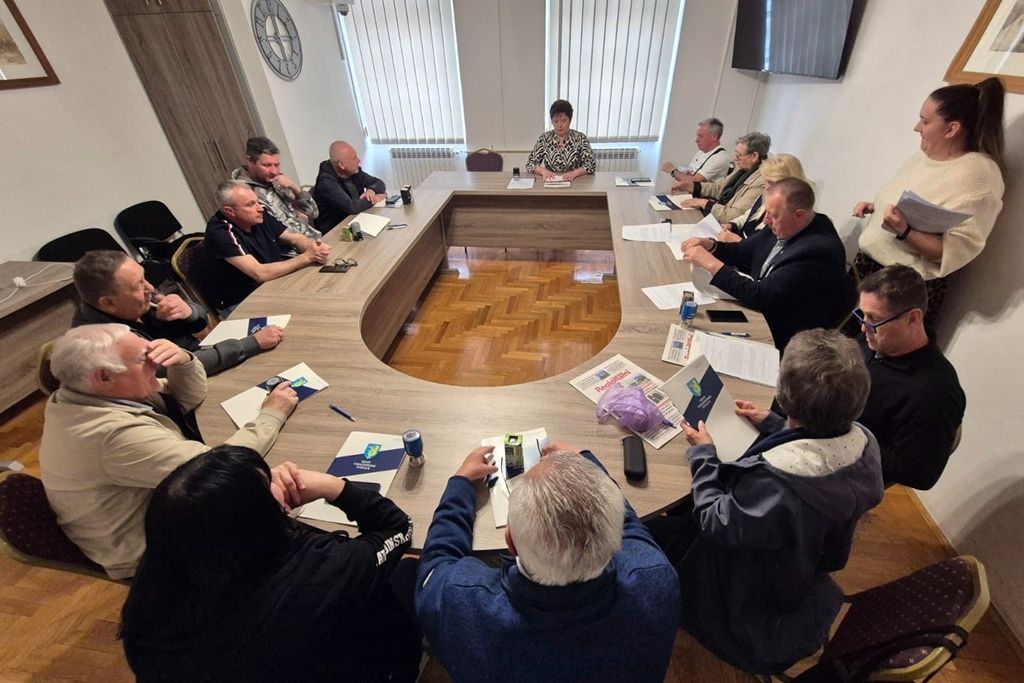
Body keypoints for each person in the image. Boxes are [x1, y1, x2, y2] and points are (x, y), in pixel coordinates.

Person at [646, 329, 884, 675]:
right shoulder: (867, 445)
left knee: (651, 530)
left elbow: (716, 521)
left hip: (744, 587)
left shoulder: (778, 483)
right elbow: (819, 446)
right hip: (802, 561)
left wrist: (703, 455)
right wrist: (774, 426)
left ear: (784, 393)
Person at [121, 446, 420, 682]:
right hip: (359, 667)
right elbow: (398, 527)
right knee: (409, 573)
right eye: (266, 484)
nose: (278, 480)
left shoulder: (149, 599)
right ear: (254, 520)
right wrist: (332, 486)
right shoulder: (323, 572)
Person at [39, 324, 297, 579]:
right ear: (105, 376)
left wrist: (183, 361)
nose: (156, 362)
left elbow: (184, 399)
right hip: (151, 552)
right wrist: (271, 415)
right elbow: (219, 470)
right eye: (145, 358)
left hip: (159, 508)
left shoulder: (87, 392)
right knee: (280, 496)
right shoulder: (111, 436)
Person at [415, 444, 680, 683]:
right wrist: (586, 462)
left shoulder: (461, 601)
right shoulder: (656, 579)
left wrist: (460, 483)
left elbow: (437, 559)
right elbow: (630, 526)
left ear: (510, 542)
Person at [852, 78, 1005, 327]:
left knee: (861, 349)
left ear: (951, 129)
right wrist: (876, 207)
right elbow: (914, 203)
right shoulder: (924, 156)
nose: (917, 128)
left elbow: (952, 252)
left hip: (898, 291)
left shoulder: (979, 176)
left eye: (925, 121)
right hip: (866, 270)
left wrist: (904, 230)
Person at [682, 178, 847, 351]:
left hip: (783, 334)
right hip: (760, 309)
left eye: (773, 215)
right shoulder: (785, 223)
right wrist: (711, 245)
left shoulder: (818, 252)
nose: (766, 220)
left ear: (799, 215)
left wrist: (711, 264)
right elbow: (743, 251)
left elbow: (760, 296)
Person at [71, 250, 283, 376]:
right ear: (108, 303)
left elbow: (200, 323)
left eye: (144, 278)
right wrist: (251, 343)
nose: (150, 287)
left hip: (206, 359)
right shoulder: (107, 343)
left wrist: (190, 312)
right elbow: (178, 368)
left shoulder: (133, 301)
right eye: (138, 285)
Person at [854, 265, 966, 490]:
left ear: (913, 318)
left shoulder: (934, 392)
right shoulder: (876, 342)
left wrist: (848, 440)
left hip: (854, 475)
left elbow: (920, 473)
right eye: (862, 314)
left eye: (873, 318)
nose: (864, 328)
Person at [203, 180, 331, 316]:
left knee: (321, 294)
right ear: (229, 211)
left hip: (272, 282)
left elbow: (295, 238)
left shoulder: (258, 214)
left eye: (257, 201)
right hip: (241, 300)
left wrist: (313, 247)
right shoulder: (220, 233)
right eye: (250, 204)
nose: (260, 208)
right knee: (308, 311)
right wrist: (307, 257)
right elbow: (260, 274)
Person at [231, 136, 322, 240]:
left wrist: (295, 188)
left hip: (314, 239)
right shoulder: (244, 192)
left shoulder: (275, 178)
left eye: (277, 165)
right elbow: (284, 234)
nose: (274, 171)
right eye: (267, 165)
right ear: (250, 161)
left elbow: (314, 213)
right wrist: (302, 217)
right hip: (294, 248)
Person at [670, 131, 770, 223]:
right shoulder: (742, 170)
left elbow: (734, 215)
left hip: (725, 225)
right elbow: (717, 188)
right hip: (717, 216)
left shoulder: (762, 182)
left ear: (754, 156)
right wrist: (690, 186)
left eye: (739, 155)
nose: (735, 158)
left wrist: (704, 203)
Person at [715, 153, 812, 243]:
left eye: (771, 183)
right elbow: (747, 216)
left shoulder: (788, 213)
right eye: (766, 181)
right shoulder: (766, 195)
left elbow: (765, 249)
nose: (766, 187)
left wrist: (739, 241)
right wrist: (732, 225)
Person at [312, 140, 387, 232]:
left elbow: (378, 182)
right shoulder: (326, 182)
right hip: (336, 230)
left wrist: (371, 190)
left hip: (357, 219)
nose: (359, 161)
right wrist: (375, 199)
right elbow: (352, 207)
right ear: (342, 165)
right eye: (354, 158)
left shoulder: (353, 172)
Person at [525, 99, 597, 182]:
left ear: (570, 120)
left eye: (563, 120)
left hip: (575, 182)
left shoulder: (580, 138)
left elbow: (590, 165)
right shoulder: (544, 139)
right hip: (551, 182)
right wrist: (543, 171)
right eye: (556, 121)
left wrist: (574, 173)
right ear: (552, 121)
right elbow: (530, 164)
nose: (559, 125)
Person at [660, 117, 730, 183]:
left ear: (714, 136)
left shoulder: (719, 158)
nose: (696, 140)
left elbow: (694, 183)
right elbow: (690, 175)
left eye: (700, 136)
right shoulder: (701, 151)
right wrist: (682, 174)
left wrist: (672, 171)